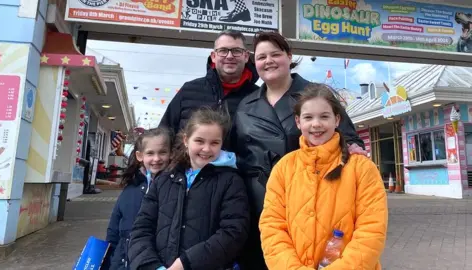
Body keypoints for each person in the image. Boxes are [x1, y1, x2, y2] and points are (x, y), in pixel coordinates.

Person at [232, 31, 366, 269]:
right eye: (262, 57)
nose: (269, 61)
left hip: (308, 202)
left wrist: (356, 151)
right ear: (255, 63)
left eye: (276, 54)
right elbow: (237, 154)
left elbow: (350, 139)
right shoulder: (245, 105)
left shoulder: (315, 94)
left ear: (289, 56)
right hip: (255, 203)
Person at [259, 83, 388, 269]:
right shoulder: (284, 168)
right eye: (308, 117)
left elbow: (371, 231)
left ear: (337, 120)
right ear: (298, 122)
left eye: (324, 116)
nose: (316, 124)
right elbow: (272, 227)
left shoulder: (362, 168)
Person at [128, 108, 250, 270]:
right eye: (199, 141)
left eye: (214, 143)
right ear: (186, 140)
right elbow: (141, 229)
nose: (206, 149)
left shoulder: (231, 181)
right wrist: (151, 265)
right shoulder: (164, 179)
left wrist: (185, 263)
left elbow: (233, 232)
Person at [159, 29, 259, 149]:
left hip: (237, 167)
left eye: (236, 51)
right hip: (185, 166)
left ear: (246, 56)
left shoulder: (257, 97)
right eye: (223, 51)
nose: (230, 56)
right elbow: (164, 133)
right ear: (213, 56)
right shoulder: (188, 90)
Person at [104, 128, 173, 270]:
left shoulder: (176, 188)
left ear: (171, 154)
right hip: (124, 263)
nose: (156, 158)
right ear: (140, 156)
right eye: (150, 153)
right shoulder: (131, 189)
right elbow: (114, 230)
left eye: (162, 152)